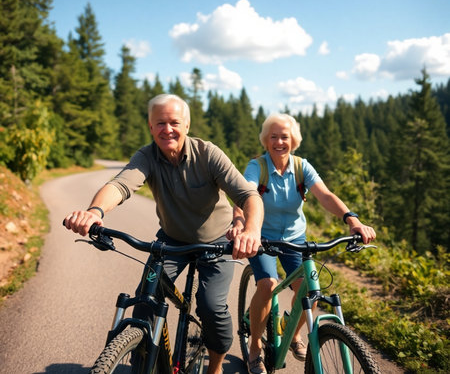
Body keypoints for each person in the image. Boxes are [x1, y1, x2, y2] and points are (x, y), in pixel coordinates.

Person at [64, 93, 264, 374]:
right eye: (160, 123)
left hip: (217, 243)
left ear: (187, 125)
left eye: (174, 122)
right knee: (145, 301)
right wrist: (94, 212)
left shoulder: (208, 154)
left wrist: (252, 230)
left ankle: (215, 367)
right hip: (171, 241)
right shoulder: (147, 156)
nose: (167, 129)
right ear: (150, 126)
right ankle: (142, 365)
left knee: (211, 307)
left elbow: (248, 195)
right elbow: (121, 185)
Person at [229, 113, 376, 374]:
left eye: (284, 136)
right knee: (268, 284)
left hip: (295, 238)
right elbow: (245, 195)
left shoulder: (301, 167)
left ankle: (294, 335)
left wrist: (351, 219)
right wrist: (240, 224)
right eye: (273, 136)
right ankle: (254, 348)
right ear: (266, 140)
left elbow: (325, 195)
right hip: (262, 237)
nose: (278, 142)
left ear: (293, 140)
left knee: (310, 289)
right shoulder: (257, 167)